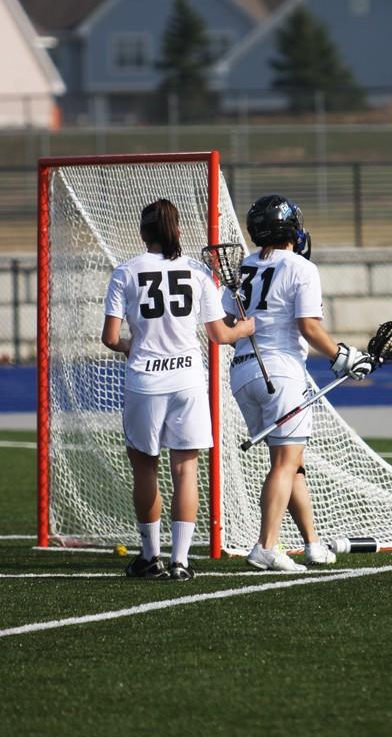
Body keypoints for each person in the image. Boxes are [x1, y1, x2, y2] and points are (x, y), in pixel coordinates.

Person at [102, 198, 254, 580]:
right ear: (178, 230)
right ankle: (181, 562)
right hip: (188, 380)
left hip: (145, 382)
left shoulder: (125, 271)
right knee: (186, 470)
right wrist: (246, 329)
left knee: (145, 469)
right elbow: (220, 334)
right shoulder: (198, 271)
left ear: (142, 232)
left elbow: (110, 337)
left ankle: (150, 557)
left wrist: (128, 347)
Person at [222, 194, 373, 572]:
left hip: (242, 373)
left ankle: (312, 543)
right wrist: (343, 355)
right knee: (285, 463)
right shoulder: (302, 268)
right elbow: (308, 327)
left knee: (292, 462)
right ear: (290, 228)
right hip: (281, 374)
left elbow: (227, 321)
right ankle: (266, 546)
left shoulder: (243, 266)